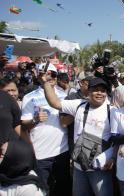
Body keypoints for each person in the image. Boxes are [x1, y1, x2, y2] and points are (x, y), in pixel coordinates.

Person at [41, 75, 114, 196]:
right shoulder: (79, 104)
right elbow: (54, 103)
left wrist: (112, 158)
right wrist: (45, 83)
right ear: (88, 91)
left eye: (103, 90)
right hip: (79, 167)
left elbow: (117, 139)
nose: (100, 93)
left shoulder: (112, 111)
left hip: (100, 168)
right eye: (96, 90)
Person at [20, 63, 71, 196]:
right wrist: (35, 120)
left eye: (53, 74)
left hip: (62, 151)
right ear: (40, 75)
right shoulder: (29, 97)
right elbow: (23, 125)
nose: (50, 77)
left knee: (63, 187)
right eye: (46, 74)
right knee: (42, 190)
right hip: (40, 153)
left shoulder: (64, 96)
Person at [0, 91, 45, 196]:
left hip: (7, 157)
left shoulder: (6, 98)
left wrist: (29, 149)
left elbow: (18, 126)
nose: (12, 92)